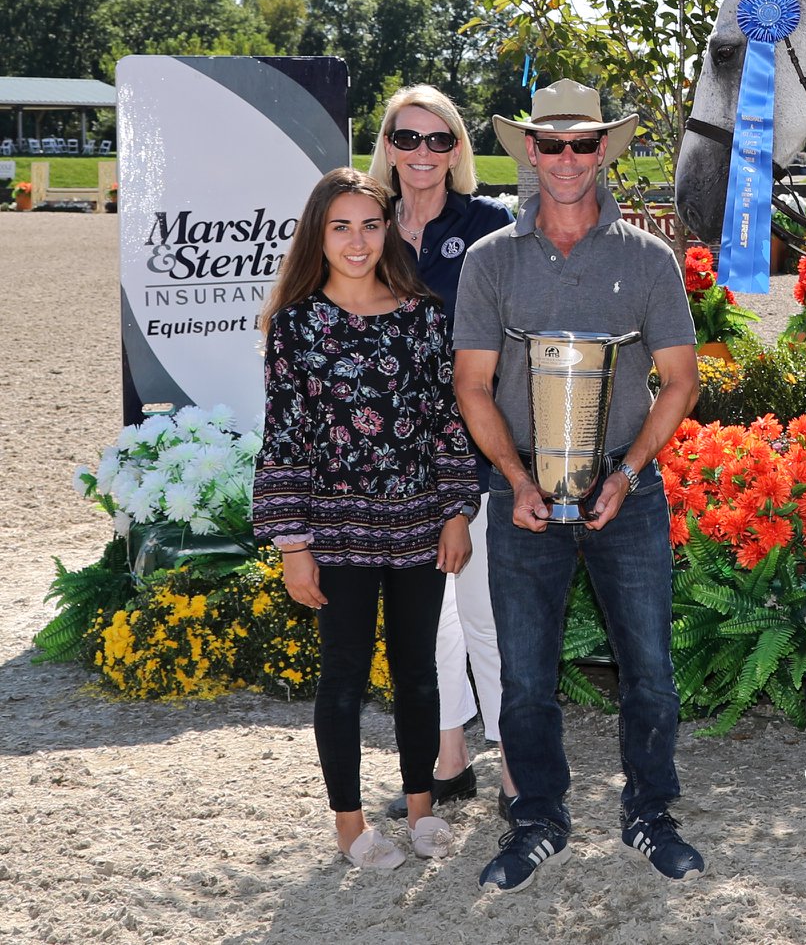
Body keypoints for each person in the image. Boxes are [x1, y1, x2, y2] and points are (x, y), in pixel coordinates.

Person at [452, 78, 704, 891]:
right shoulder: (492, 261)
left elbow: (680, 380)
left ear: (604, 151)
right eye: (551, 144)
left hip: (627, 491)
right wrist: (516, 480)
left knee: (651, 670)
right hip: (521, 494)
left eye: (583, 144)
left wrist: (629, 474)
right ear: (530, 150)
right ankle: (538, 819)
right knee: (525, 674)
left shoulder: (647, 258)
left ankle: (650, 813)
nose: (566, 159)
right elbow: (472, 386)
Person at [252, 168, 481, 871]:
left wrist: (456, 511)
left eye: (370, 225)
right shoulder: (294, 325)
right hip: (336, 529)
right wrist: (293, 544)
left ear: (390, 231)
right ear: (318, 235)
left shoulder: (423, 314)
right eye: (341, 227)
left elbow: (446, 421)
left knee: (418, 672)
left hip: (418, 523)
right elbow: (285, 435)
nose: (357, 242)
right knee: (345, 677)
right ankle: (350, 829)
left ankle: (419, 811)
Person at [367, 85, 516, 823]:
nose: (422, 153)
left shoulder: (490, 226)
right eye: (407, 138)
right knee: (430, 624)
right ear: (387, 145)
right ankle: (450, 763)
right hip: (395, 461)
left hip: (477, 450)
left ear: (457, 150)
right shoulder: (365, 225)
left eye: (438, 139)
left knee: (487, 613)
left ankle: (518, 773)